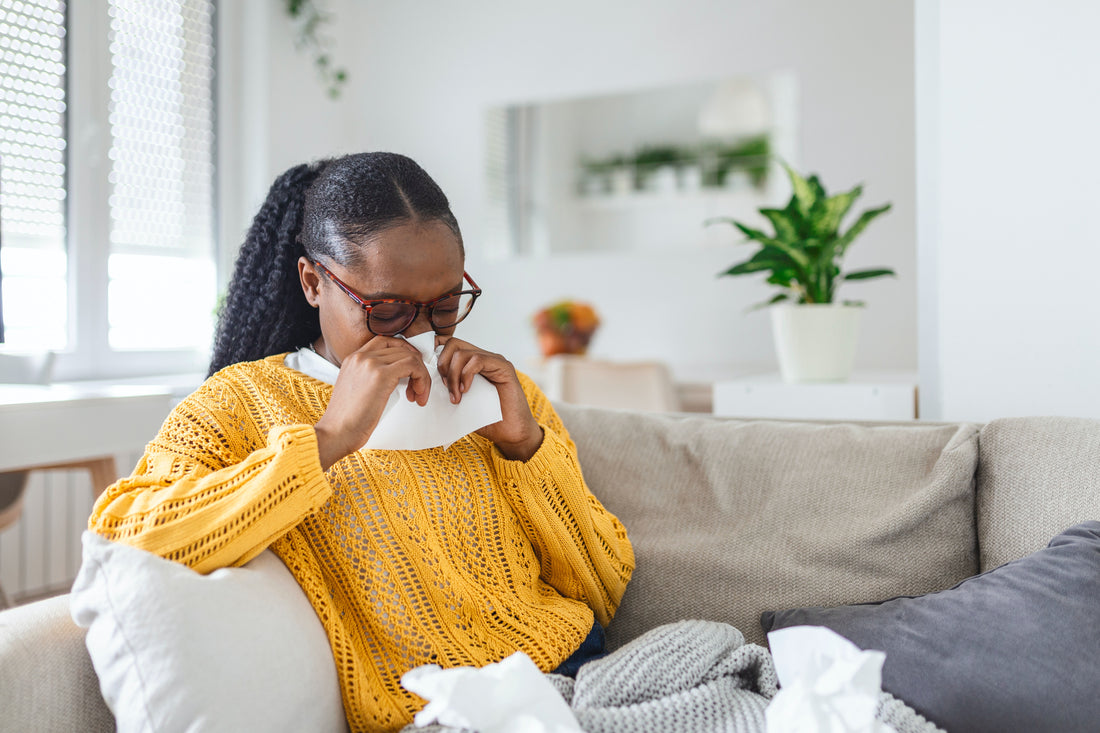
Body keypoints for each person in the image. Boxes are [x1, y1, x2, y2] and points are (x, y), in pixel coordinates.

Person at [87, 152, 634, 732]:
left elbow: (603, 587)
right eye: (388, 309)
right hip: (440, 710)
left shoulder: (499, 392)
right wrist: (328, 439)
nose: (423, 333)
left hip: (582, 671)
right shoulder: (243, 401)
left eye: (446, 304)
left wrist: (527, 447)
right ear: (314, 282)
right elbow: (127, 533)